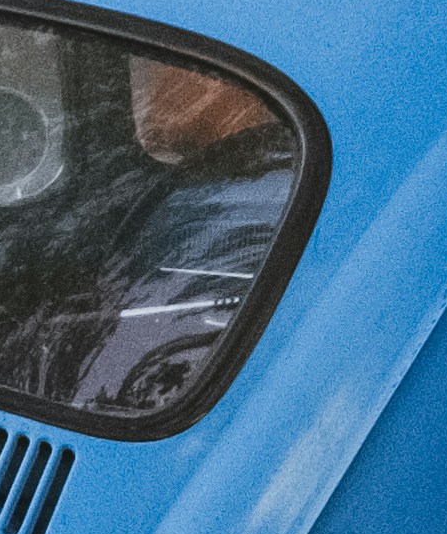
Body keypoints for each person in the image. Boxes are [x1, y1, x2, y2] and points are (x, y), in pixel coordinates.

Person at [47, 55, 297, 417]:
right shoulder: (175, 197)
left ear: (221, 85)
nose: (149, 95)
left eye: (159, 66)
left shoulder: (269, 196)